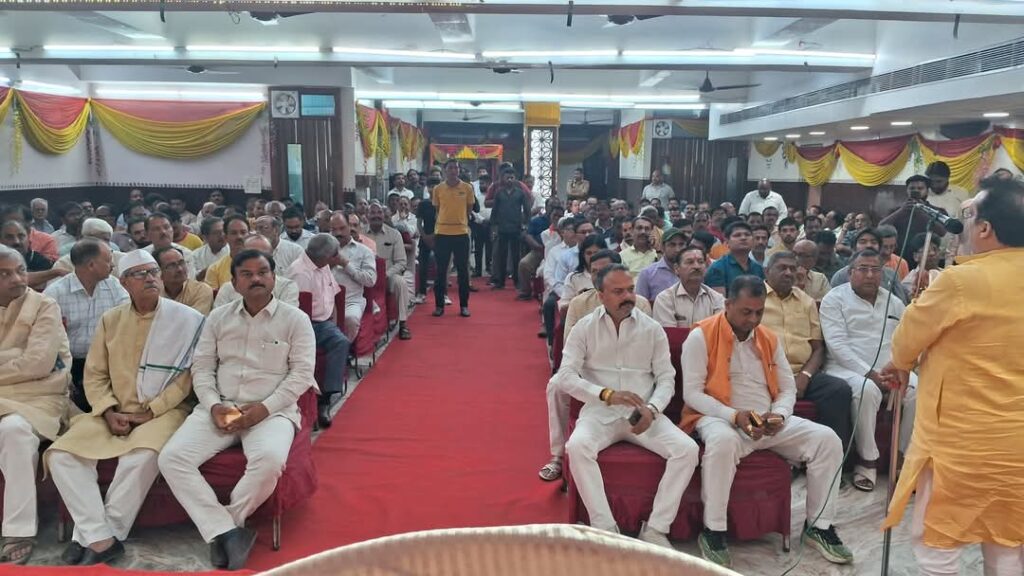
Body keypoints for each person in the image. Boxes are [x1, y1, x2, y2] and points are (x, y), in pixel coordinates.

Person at [880, 176, 1024, 575]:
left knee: (938, 545)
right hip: (1016, 445)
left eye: (970, 214)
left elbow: (905, 342)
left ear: (984, 229)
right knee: (1008, 545)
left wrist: (902, 361)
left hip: (960, 444)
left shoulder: (961, 281)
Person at [160, 249, 315, 571]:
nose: (256, 279)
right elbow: (202, 368)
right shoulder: (218, 318)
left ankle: (227, 525)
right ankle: (227, 532)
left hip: (271, 412)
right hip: (222, 406)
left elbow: (301, 374)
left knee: (269, 460)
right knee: (172, 458)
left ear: (274, 277)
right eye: (247, 274)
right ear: (234, 282)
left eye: (262, 272)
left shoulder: (295, 320)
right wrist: (214, 405)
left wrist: (264, 409)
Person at [46, 250, 204, 566]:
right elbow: (95, 374)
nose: (150, 278)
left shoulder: (187, 319)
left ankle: (90, 537)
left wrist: (150, 411)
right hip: (113, 410)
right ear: (124, 282)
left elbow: (188, 378)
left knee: (142, 457)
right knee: (61, 456)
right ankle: (101, 538)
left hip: (163, 412)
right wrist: (107, 410)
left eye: (154, 272)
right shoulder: (111, 320)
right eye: (140, 274)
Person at [681, 275, 851, 568]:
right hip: (720, 417)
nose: (753, 319)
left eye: (759, 312)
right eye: (746, 311)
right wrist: (734, 416)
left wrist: (780, 415)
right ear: (728, 304)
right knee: (722, 443)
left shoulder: (768, 338)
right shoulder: (701, 336)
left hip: (767, 419)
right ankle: (714, 530)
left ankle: (819, 526)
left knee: (827, 440)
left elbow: (787, 388)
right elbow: (692, 393)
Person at [555, 264, 699, 548]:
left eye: (630, 290)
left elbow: (666, 379)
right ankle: (605, 529)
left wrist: (652, 409)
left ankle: (656, 529)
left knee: (687, 450)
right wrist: (606, 394)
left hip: (642, 414)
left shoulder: (652, 329)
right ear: (601, 296)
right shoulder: (584, 328)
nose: (628, 297)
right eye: (618, 291)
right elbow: (565, 376)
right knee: (577, 447)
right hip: (599, 413)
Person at [820, 249, 916, 493]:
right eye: (863, 269)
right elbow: (837, 345)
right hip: (845, 368)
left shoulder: (894, 302)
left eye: (876, 270)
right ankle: (867, 460)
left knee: (918, 389)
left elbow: (905, 339)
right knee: (867, 389)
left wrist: (897, 367)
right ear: (850, 273)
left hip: (889, 367)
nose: (870, 275)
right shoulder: (834, 299)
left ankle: (903, 457)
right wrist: (870, 373)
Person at [0, 245, 71, 565]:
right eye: (4, 274)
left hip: (39, 396)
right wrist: (15, 358)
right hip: (12, 390)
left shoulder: (44, 305)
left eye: (20, 270)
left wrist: (19, 360)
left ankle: (19, 530)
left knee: (14, 430)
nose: (17, 279)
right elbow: (25, 364)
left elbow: (39, 364)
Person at [761, 252, 852, 450]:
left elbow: (818, 348)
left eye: (793, 269)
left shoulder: (806, 301)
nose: (788, 273)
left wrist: (805, 375)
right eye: (782, 268)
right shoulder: (755, 297)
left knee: (838, 390)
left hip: (801, 372)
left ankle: (835, 456)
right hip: (765, 373)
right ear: (767, 271)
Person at [44, 238, 128, 410]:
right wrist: (62, 375)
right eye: (108, 261)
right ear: (91, 265)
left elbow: (128, 322)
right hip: (71, 365)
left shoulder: (114, 286)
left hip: (108, 363)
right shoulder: (55, 294)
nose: (113, 265)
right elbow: (47, 343)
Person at [288, 235, 351, 427]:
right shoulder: (300, 273)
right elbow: (298, 312)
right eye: (334, 255)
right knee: (340, 341)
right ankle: (324, 400)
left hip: (325, 322)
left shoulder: (323, 266)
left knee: (340, 339)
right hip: (308, 324)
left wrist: (335, 323)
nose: (338, 257)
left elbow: (333, 295)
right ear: (324, 256)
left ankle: (328, 394)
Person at [562, 251, 654, 341]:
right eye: (594, 271)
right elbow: (570, 343)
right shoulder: (578, 303)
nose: (598, 276)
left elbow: (647, 341)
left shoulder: (640, 304)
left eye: (604, 271)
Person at [431, 159, 475, 317]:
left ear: (459, 170)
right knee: (441, 271)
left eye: (456, 168)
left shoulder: (467, 188)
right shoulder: (438, 189)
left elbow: (469, 208)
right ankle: (439, 306)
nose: (453, 171)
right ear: (445, 170)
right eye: (450, 168)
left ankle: (464, 306)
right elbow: (437, 209)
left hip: (461, 233)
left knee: (463, 271)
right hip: (442, 233)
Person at [364, 203, 412, 340]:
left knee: (400, 283)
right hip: (365, 277)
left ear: (384, 215)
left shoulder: (394, 234)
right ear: (367, 216)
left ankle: (403, 324)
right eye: (372, 213)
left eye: (379, 212)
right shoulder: (360, 234)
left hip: (387, 276)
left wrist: (385, 275)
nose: (376, 216)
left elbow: (401, 262)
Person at [879, 175, 949, 267]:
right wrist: (901, 211)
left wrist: (921, 212)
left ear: (927, 191)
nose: (916, 191)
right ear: (907, 190)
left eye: (920, 188)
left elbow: (942, 232)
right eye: (912, 188)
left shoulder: (937, 211)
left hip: (927, 259)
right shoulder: (897, 211)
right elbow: (880, 228)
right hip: (901, 260)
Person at [214, 235, 299, 309]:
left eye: (263, 256)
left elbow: (289, 318)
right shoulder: (228, 289)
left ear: (272, 257)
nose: (258, 260)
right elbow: (218, 319)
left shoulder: (286, 287)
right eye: (252, 255)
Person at [329, 213, 377, 341]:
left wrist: (346, 265)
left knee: (350, 319)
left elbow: (370, 280)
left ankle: (345, 347)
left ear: (349, 227)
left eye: (342, 228)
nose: (338, 233)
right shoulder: (323, 249)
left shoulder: (364, 251)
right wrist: (328, 265)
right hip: (326, 300)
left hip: (351, 301)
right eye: (334, 229)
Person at [829, 228, 910, 303]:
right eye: (863, 242)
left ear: (879, 248)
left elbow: (901, 304)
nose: (869, 245)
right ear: (854, 247)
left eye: (873, 242)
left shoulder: (891, 274)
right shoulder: (841, 276)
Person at [652, 245, 724, 328]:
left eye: (700, 262)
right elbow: (669, 334)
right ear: (676, 268)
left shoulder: (717, 299)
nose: (696, 266)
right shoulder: (665, 299)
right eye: (690, 262)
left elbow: (718, 332)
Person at [487, 168, 531, 290]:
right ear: (503, 178)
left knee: (516, 256)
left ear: (515, 178)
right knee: (501, 256)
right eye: (507, 177)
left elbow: (527, 210)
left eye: (512, 177)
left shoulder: (520, 193)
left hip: (516, 228)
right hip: (502, 228)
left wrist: (526, 224)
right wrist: (493, 227)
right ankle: (500, 282)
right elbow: (494, 211)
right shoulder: (499, 193)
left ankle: (517, 281)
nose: (510, 180)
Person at [517, 199, 563, 301]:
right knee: (524, 264)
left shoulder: (564, 223)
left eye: (556, 206)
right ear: (546, 207)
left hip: (561, 253)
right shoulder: (537, 221)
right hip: (539, 251)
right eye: (551, 206)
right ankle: (526, 291)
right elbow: (528, 236)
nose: (554, 209)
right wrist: (537, 246)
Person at [0, 220, 64, 290]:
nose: (16, 241)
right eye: (9, 237)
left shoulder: (40, 260)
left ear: (28, 238)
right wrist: (54, 273)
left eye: (21, 236)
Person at [704, 221, 763, 294]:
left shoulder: (758, 268)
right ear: (727, 242)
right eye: (737, 235)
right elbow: (719, 299)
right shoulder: (717, 268)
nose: (743, 238)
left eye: (747, 235)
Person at [156, 246, 213, 315]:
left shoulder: (201, 290)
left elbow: (195, 319)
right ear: (159, 271)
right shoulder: (154, 293)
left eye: (181, 263)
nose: (180, 269)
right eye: (172, 266)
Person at [636, 228, 687, 302]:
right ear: (662, 247)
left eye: (681, 244)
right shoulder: (648, 274)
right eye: (672, 245)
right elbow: (640, 304)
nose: (677, 249)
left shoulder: (691, 271)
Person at [204, 215, 250, 289]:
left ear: (249, 235)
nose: (239, 237)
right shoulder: (214, 269)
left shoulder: (263, 263)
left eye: (243, 232)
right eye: (234, 233)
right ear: (225, 237)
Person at [900, 232, 942, 298]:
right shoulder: (910, 282)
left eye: (935, 249)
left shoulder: (947, 273)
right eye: (927, 250)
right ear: (915, 256)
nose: (932, 253)